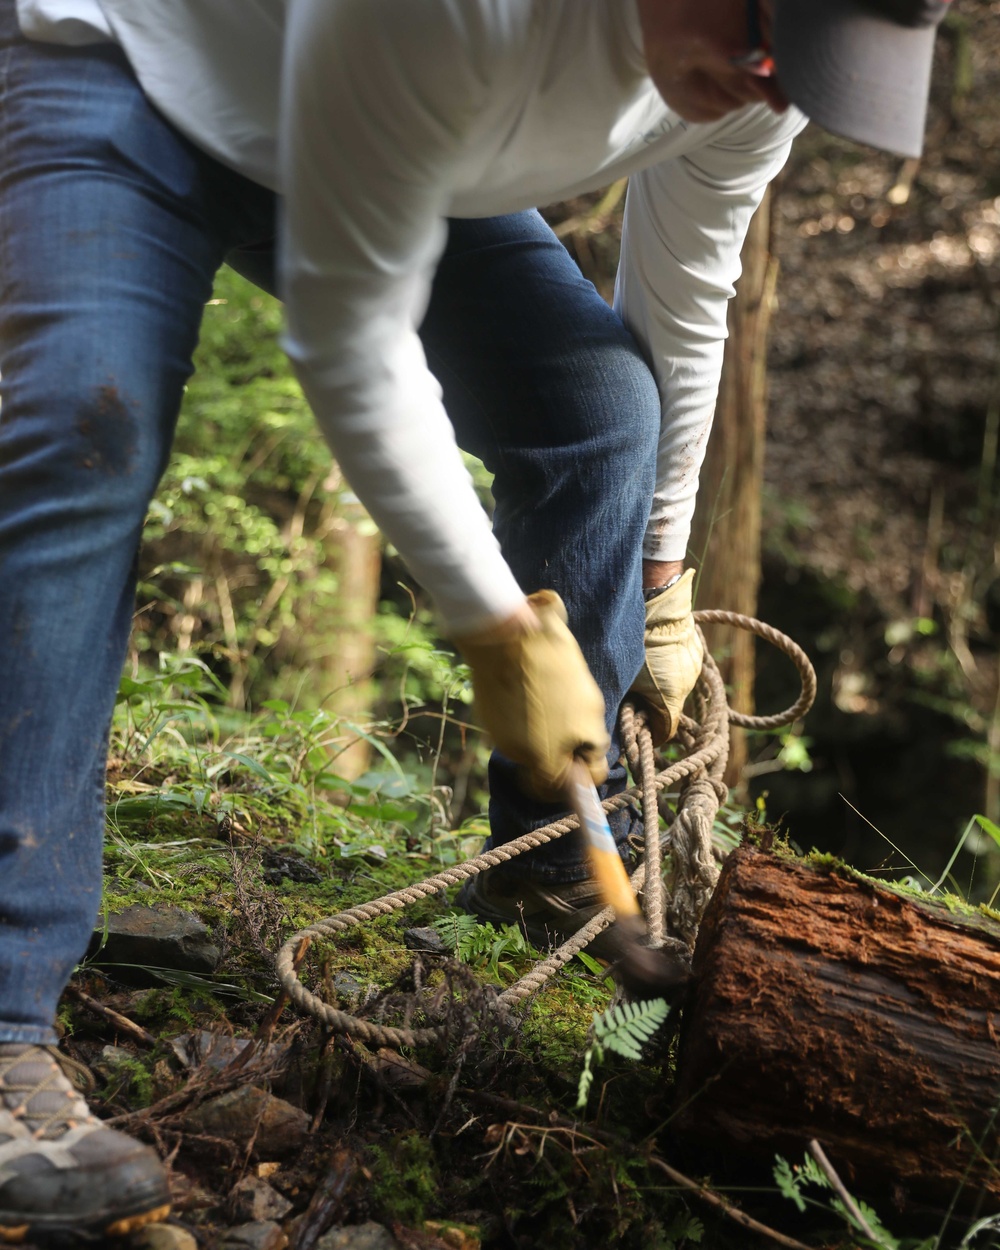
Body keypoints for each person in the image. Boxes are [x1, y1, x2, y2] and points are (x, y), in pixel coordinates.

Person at [0, 0, 948, 1239]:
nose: (773, 89)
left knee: (600, 411)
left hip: (382, 139)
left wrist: (658, 577)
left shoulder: (752, 86)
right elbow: (350, 336)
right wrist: (501, 628)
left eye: (816, 72)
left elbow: (686, 289)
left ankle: (554, 865)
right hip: (135, 70)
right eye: (769, 40)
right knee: (86, 433)